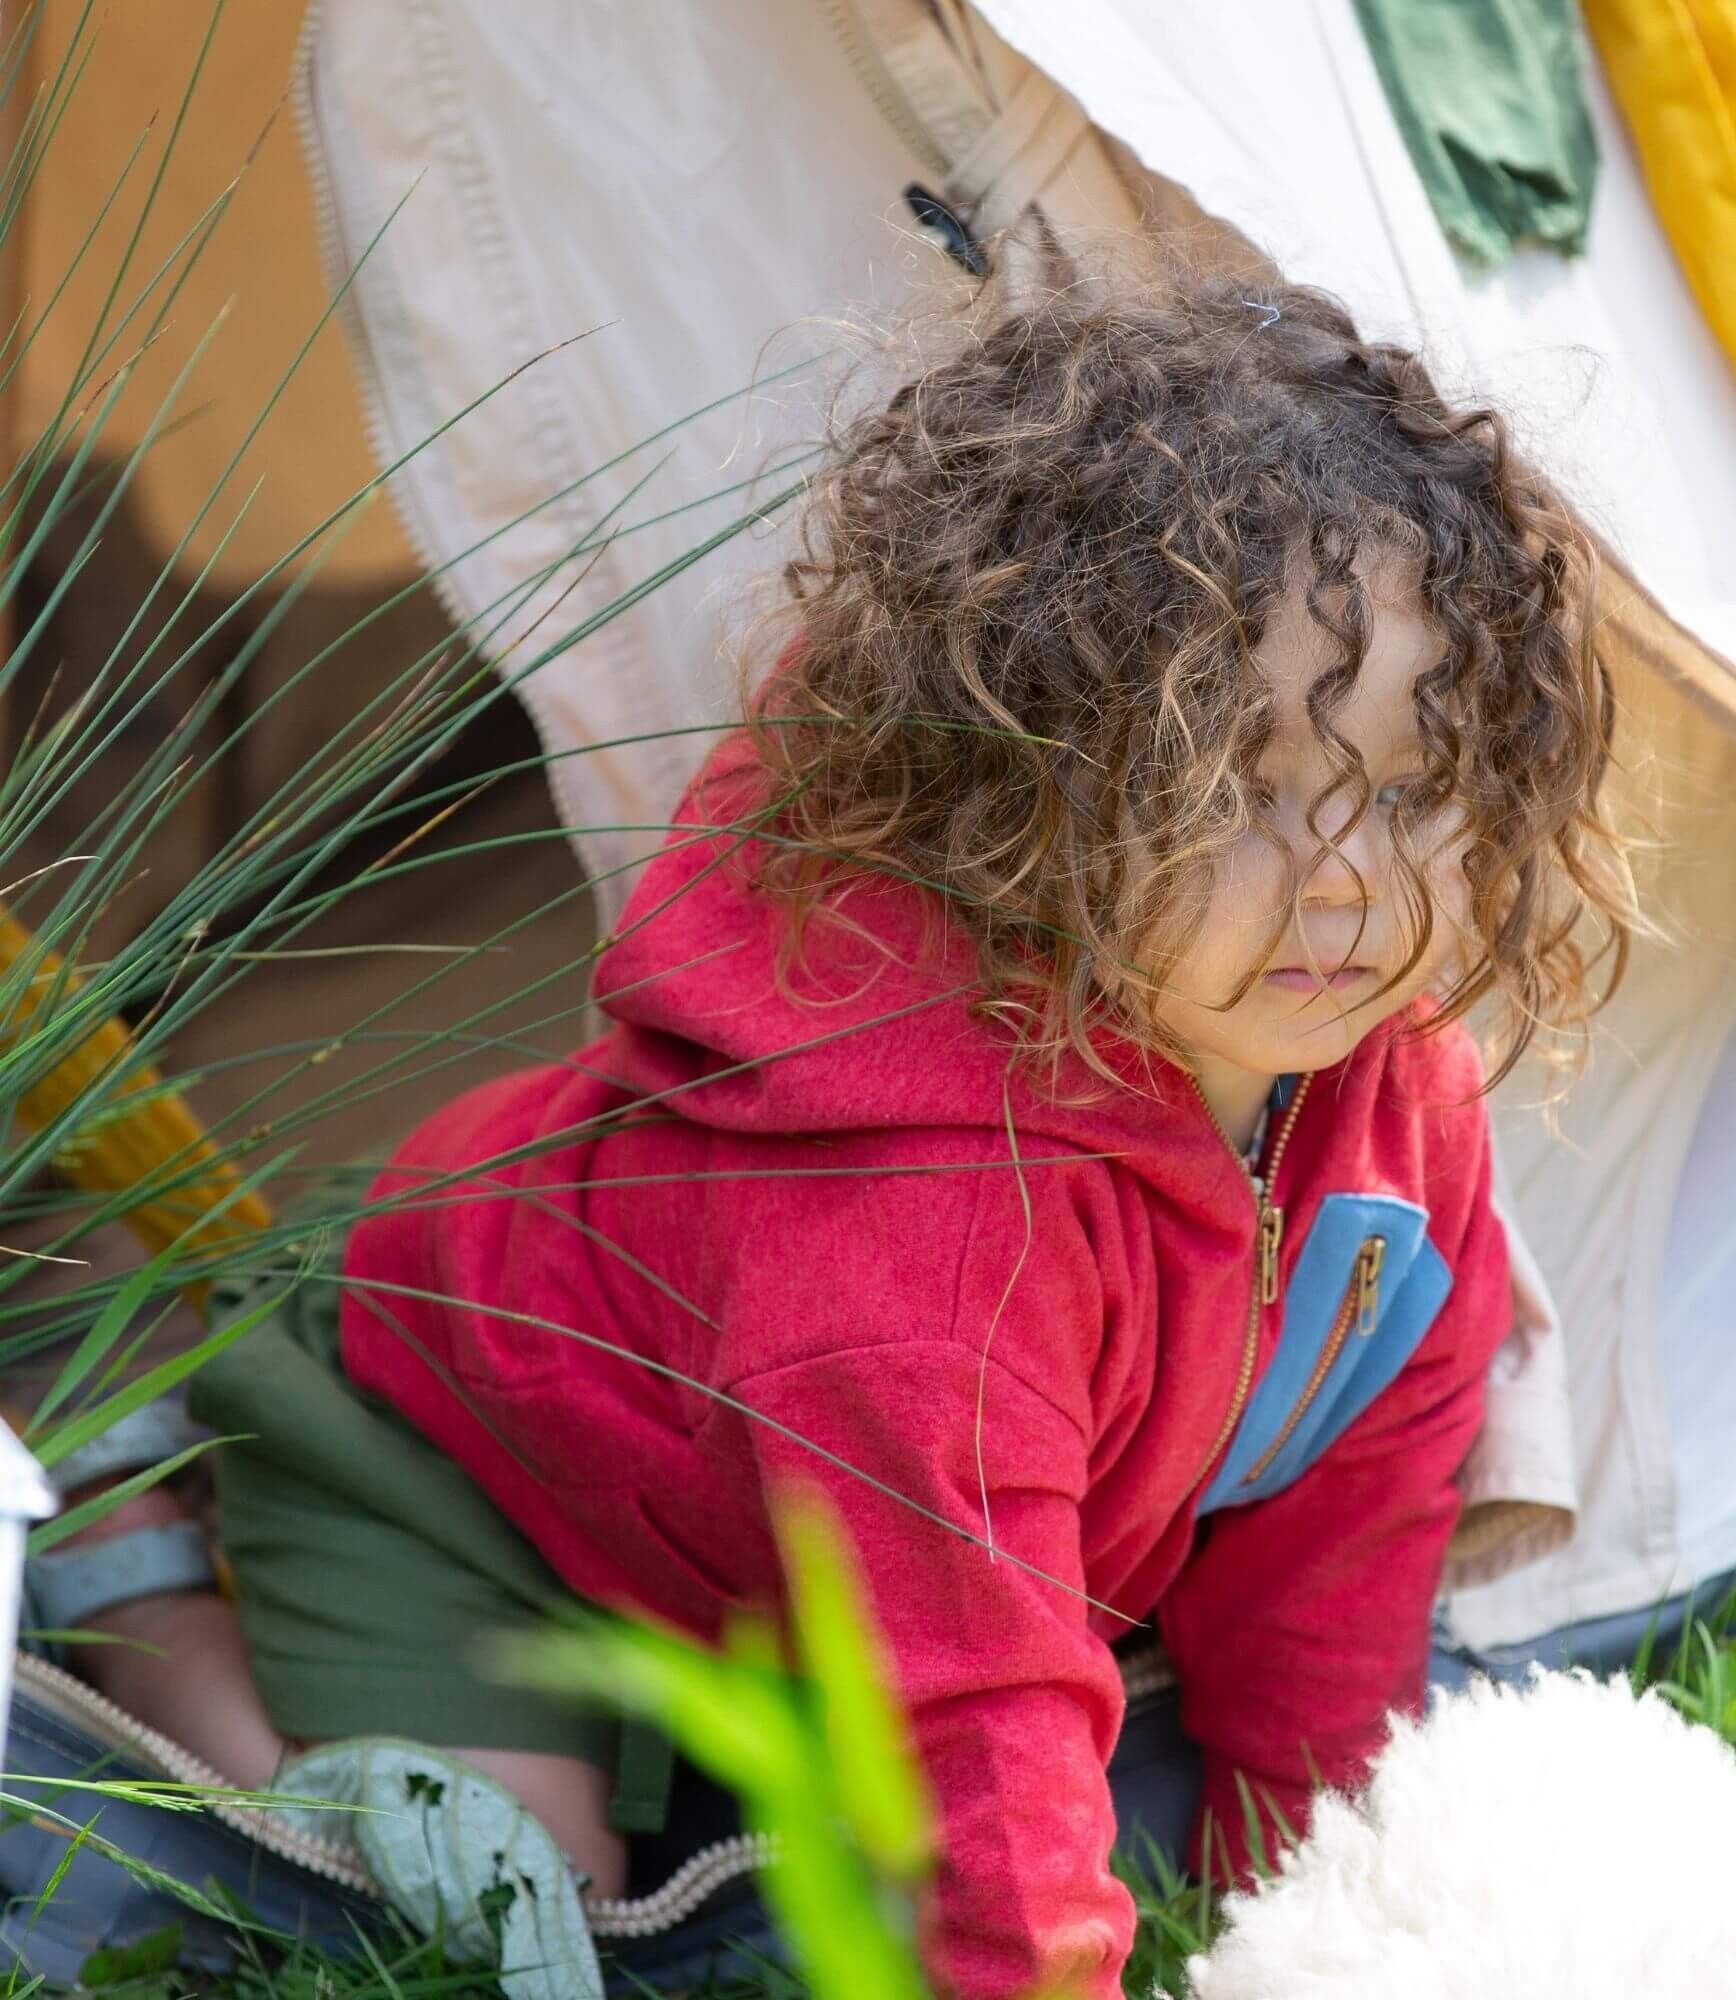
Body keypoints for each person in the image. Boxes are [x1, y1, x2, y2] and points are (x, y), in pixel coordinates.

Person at [29, 276, 1633, 2000]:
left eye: (1403, 790)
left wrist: (1308, 1922)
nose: (1343, 881)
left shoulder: (1389, 1093)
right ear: (1038, 789)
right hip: (445, 1463)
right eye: (1232, 788)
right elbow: (970, 1720)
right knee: (508, 1914)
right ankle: (138, 1567)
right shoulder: (919, 1222)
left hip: (754, 1539)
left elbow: (1349, 1514)